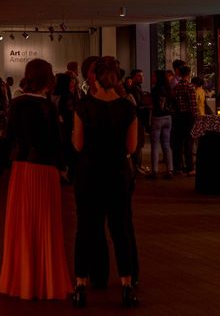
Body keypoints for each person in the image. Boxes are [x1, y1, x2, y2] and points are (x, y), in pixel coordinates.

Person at [0, 59, 71, 301]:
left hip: (20, 169)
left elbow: (9, 138)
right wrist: (63, 166)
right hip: (44, 169)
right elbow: (55, 143)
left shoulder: (16, 103)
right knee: (45, 223)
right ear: (48, 79)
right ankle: (45, 280)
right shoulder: (47, 107)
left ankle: (21, 278)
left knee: (22, 224)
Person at [71, 56, 139, 308]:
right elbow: (131, 147)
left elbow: (78, 144)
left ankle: (80, 284)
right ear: (117, 78)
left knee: (86, 229)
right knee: (120, 230)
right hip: (118, 174)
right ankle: (127, 284)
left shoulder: (83, 107)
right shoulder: (128, 108)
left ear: (95, 79)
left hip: (89, 174)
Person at [169, 64, 198, 176]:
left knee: (178, 143)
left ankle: (177, 167)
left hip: (178, 117)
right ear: (188, 74)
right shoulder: (190, 87)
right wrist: (196, 118)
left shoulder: (176, 87)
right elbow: (193, 105)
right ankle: (190, 167)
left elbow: (172, 102)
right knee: (188, 142)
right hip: (188, 117)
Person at [149, 70, 174, 179]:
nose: (152, 78)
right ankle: (170, 170)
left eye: (154, 76)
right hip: (168, 117)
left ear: (158, 78)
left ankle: (154, 170)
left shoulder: (155, 90)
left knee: (155, 145)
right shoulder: (169, 89)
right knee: (167, 144)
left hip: (157, 118)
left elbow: (153, 104)